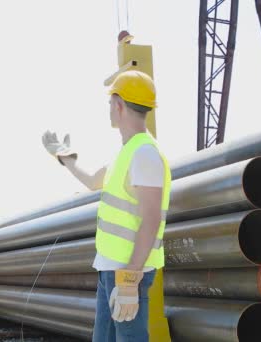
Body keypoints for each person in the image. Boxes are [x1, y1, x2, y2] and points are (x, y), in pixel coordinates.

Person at [41, 70, 171, 341]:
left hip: (127, 271)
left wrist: (130, 279)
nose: (109, 109)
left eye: (110, 102)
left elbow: (151, 219)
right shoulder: (126, 153)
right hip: (110, 268)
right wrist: (64, 156)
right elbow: (91, 180)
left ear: (119, 104)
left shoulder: (144, 153)